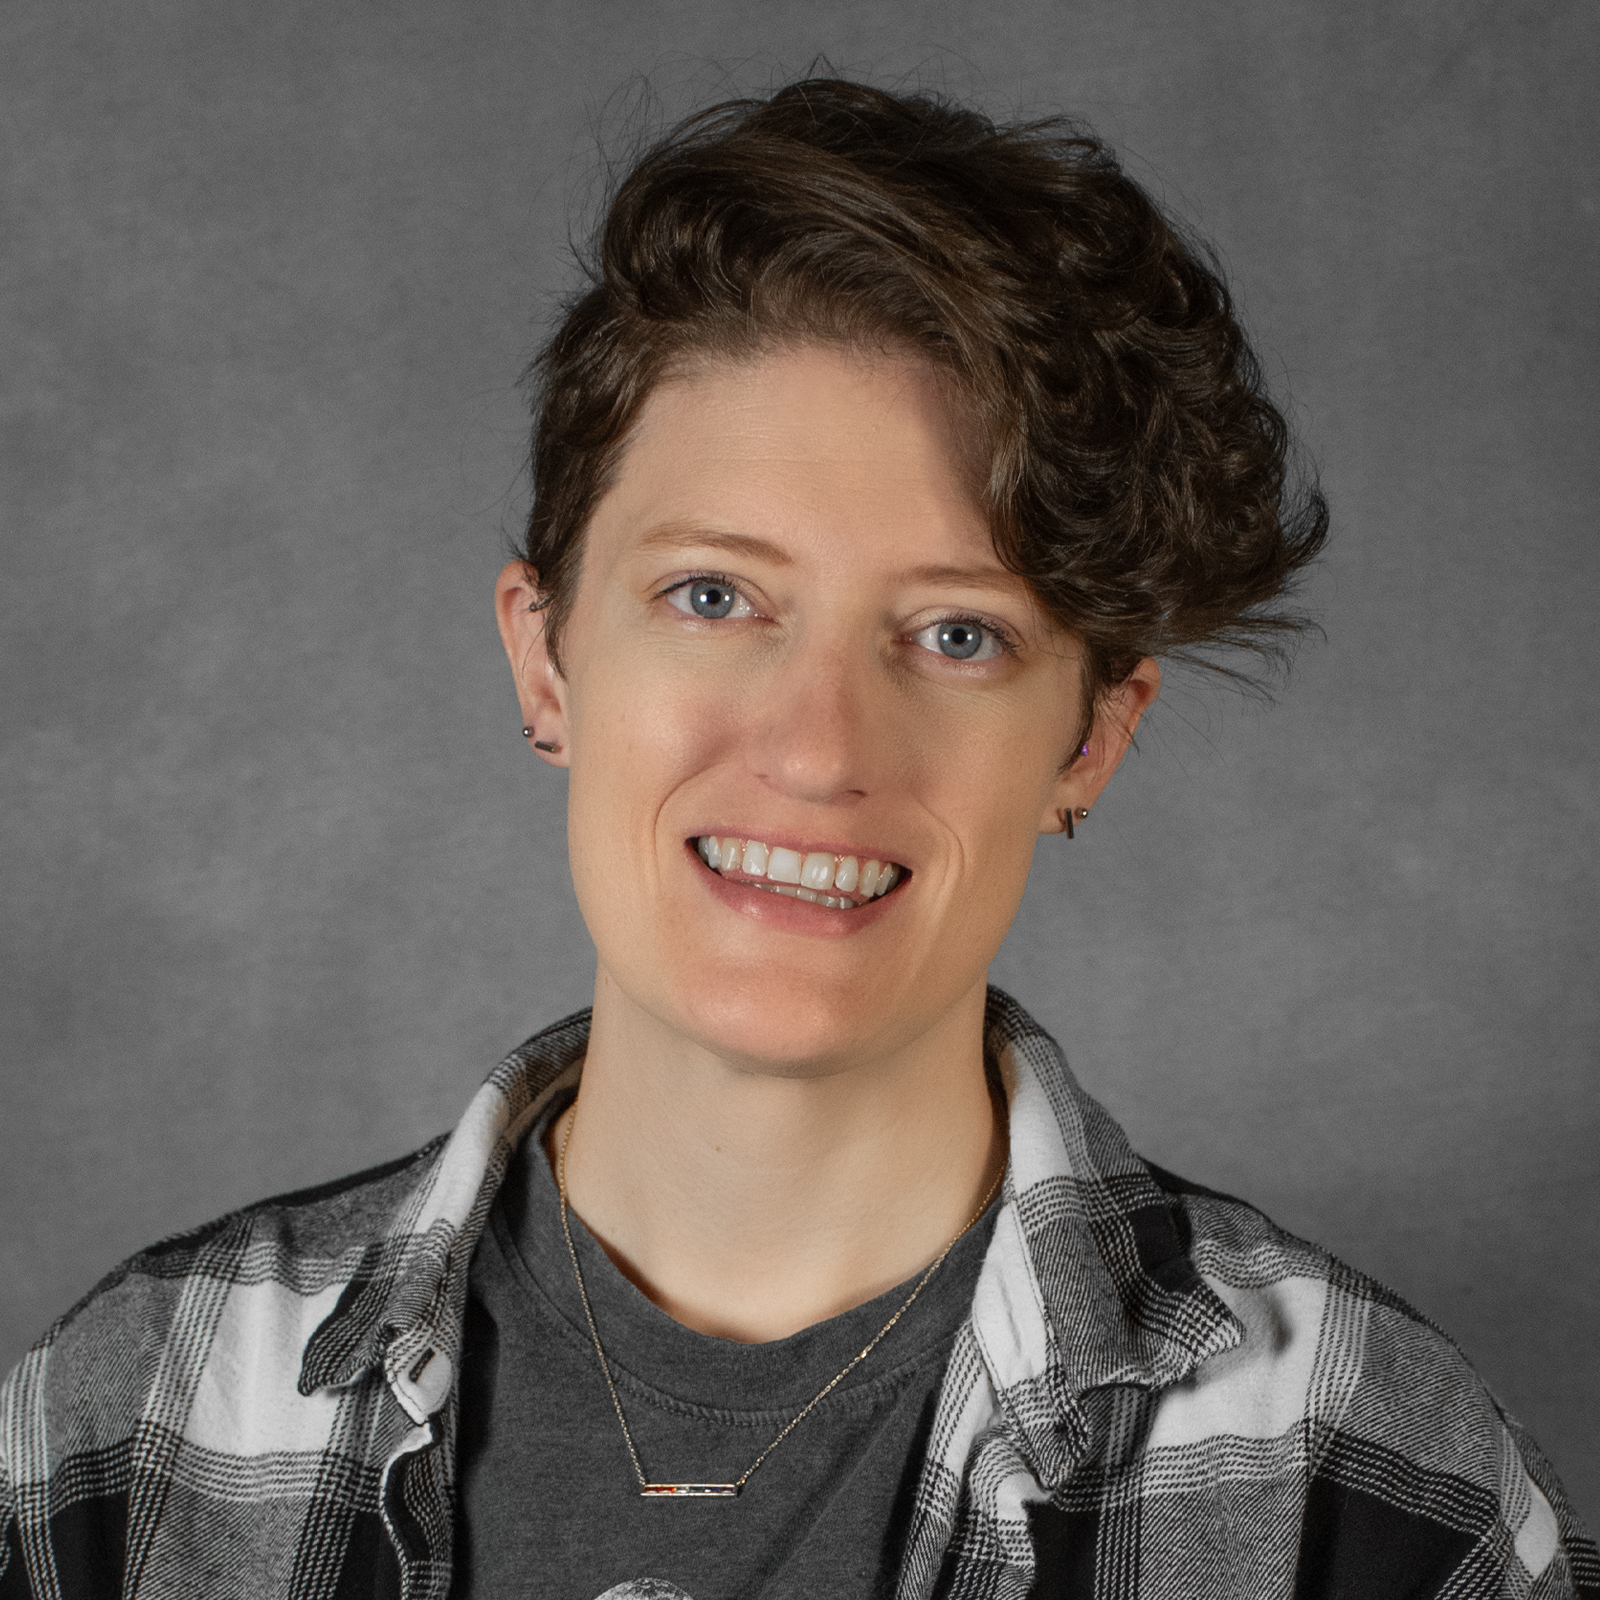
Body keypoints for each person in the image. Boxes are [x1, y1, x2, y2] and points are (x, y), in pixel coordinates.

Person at [1, 77, 1594, 1600]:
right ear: (547, 660)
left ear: (1091, 735)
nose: (820, 749)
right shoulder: (127, 1427)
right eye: (714, 597)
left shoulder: (1368, 1479)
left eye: (958, 634)